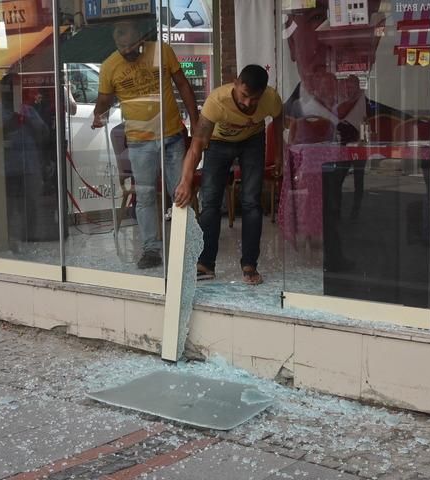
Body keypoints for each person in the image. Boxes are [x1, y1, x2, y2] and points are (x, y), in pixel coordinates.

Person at [282, 0, 407, 270]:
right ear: (292, 42)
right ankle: (333, 256)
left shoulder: (398, 126)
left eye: (353, 20)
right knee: (329, 207)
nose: (334, 43)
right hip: (317, 182)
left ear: (375, 37)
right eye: (317, 18)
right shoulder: (281, 122)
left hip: (380, 244)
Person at [92, 19, 199, 269]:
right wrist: (99, 114)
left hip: (172, 135)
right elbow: (103, 101)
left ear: (141, 37)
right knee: (146, 196)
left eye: (131, 45)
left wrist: (195, 120)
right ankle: (151, 250)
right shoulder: (110, 66)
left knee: (180, 193)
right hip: (139, 142)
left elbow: (182, 84)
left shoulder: (161, 51)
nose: (127, 51)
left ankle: (189, 247)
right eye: (122, 47)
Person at [174, 65, 283, 285]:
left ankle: (250, 265)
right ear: (235, 83)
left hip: (252, 141)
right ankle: (205, 264)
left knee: (252, 202)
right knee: (211, 202)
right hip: (218, 143)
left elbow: (279, 121)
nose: (247, 103)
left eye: (254, 99)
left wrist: (279, 154)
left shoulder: (271, 98)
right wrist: (185, 182)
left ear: (263, 93)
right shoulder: (217, 102)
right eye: (244, 95)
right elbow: (196, 147)